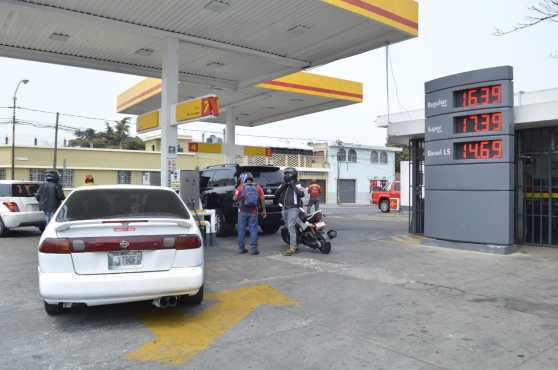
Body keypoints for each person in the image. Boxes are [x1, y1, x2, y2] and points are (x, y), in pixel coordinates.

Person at [233, 172, 266, 255]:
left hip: (242, 211)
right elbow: (262, 199)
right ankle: (254, 249)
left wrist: (237, 194)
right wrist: (264, 210)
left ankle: (241, 248)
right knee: (254, 230)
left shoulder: (240, 187)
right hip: (254, 212)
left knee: (241, 230)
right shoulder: (257, 187)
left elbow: (234, 198)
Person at [275, 167, 305, 256]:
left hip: (293, 208)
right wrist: (285, 185)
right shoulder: (283, 184)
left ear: (293, 175)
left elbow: (301, 194)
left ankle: (292, 247)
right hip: (285, 208)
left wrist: (293, 185)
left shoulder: (298, 184)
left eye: (288, 174)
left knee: (291, 226)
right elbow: (276, 193)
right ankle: (295, 242)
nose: (286, 175)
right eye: (285, 174)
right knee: (288, 227)